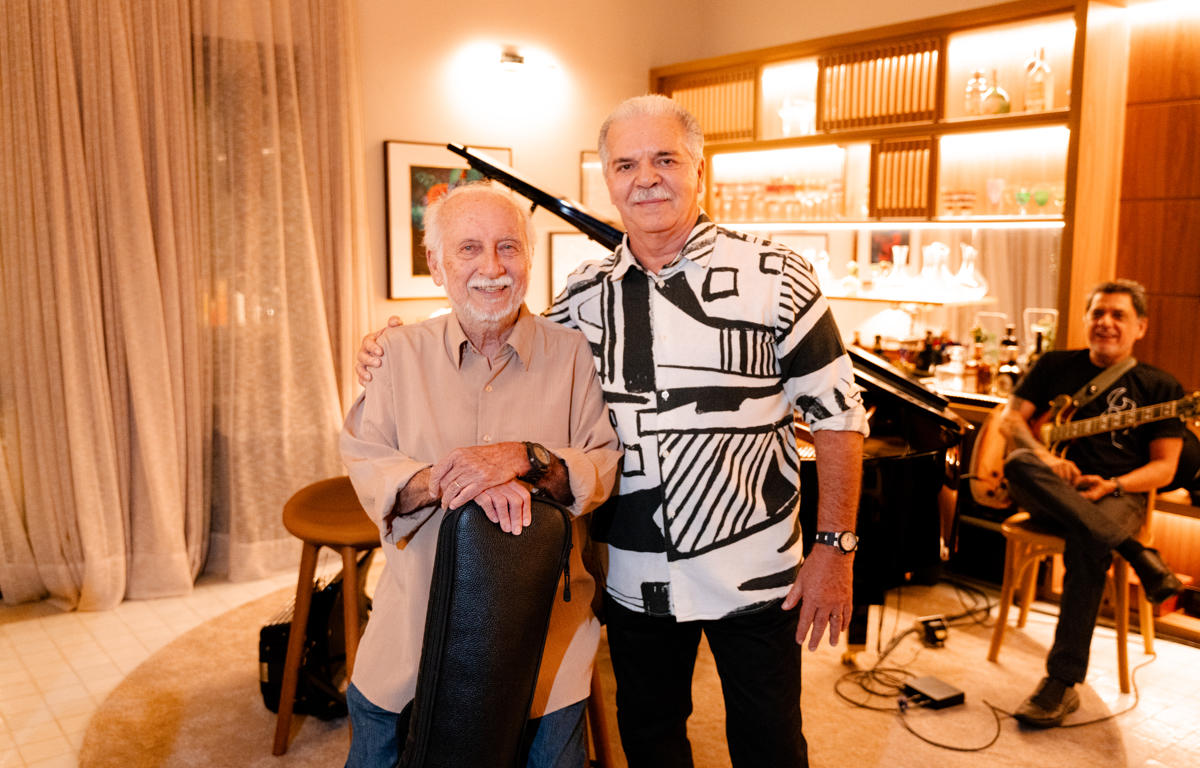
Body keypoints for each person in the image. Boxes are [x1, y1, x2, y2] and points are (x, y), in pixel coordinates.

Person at [358, 95, 868, 767]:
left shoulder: (776, 275)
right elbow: (507, 335)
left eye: (665, 160)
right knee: (651, 742)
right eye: (626, 164)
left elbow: (838, 415)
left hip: (755, 570)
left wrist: (835, 548)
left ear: (700, 170)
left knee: (770, 746)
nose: (645, 178)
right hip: (635, 576)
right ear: (608, 179)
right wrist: (395, 345)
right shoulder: (583, 295)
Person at [340, 181, 621, 768]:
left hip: (546, 634)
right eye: (469, 248)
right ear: (435, 264)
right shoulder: (396, 354)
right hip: (415, 623)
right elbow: (367, 460)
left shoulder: (572, 354)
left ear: (529, 258)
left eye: (508, 247)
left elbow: (601, 465)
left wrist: (529, 458)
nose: (492, 268)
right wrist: (455, 479)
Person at [997, 279, 1184, 728]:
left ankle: (1060, 684)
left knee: (1090, 541)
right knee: (1019, 461)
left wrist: (1113, 483)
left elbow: (1165, 468)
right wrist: (1046, 458)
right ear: (1085, 319)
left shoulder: (1161, 386)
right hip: (1050, 490)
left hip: (1116, 497)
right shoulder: (1054, 365)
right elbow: (1010, 420)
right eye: (1098, 313)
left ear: (1140, 327)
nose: (1106, 322)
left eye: (1119, 315)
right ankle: (1136, 553)